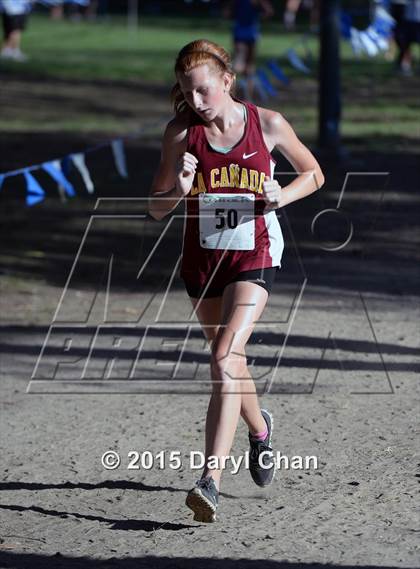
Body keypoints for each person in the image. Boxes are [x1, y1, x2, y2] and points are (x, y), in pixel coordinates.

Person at [148, 39, 324, 523]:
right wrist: (179, 191)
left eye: (204, 91)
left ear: (227, 81)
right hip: (203, 262)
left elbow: (314, 174)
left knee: (224, 355)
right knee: (230, 360)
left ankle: (210, 481)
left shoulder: (266, 123)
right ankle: (260, 429)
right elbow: (155, 206)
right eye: (187, 94)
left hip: (256, 254)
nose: (196, 102)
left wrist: (278, 196)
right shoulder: (180, 134)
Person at [223, 0, 274, 100]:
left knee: (239, 63)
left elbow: (226, 13)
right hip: (252, 32)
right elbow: (269, 12)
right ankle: (247, 96)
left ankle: (234, 93)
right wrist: (258, 17)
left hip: (240, 32)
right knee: (249, 66)